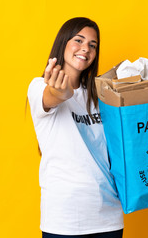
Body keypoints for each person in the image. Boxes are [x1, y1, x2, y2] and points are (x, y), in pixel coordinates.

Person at [27, 17, 124, 238]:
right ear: (63, 43)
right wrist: (61, 93)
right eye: (79, 40)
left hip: (108, 215)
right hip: (65, 218)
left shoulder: (101, 96)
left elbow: (120, 144)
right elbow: (52, 97)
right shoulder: (38, 87)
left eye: (93, 45)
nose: (86, 49)